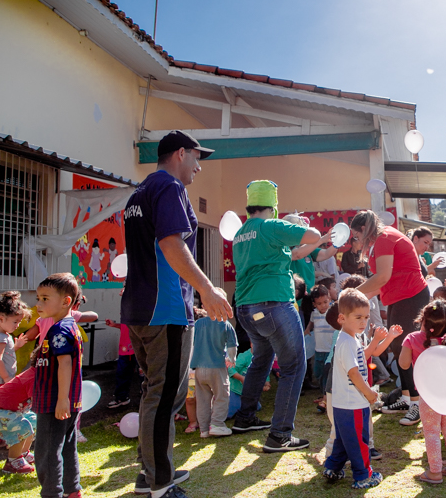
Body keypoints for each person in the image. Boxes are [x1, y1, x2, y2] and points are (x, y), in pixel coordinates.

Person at [121, 130, 232, 498]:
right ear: (180, 153)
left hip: (139, 309)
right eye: (197, 158)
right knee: (164, 396)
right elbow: (171, 245)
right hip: (163, 309)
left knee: (154, 393)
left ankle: (150, 473)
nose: (199, 167)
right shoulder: (169, 188)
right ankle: (159, 484)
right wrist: (206, 287)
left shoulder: (139, 193)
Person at [230, 180, 320, 452]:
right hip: (275, 304)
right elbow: (314, 235)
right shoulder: (271, 226)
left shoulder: (239, 233)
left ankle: (245, 418)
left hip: (245, 307)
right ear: (273, 205)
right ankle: (279, 435)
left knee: (261, 360)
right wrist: (297, 223)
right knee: (294, 366)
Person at [350, 210, 429, 426]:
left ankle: (417, 403)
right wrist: (358, 299)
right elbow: (382, 282)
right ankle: (406, 398)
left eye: (357, 235)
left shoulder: (385, 237)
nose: (357, 241)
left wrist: (351, 295)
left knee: (407, 348)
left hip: (410, 296)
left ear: (364, 229)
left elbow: (382, 277)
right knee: (396, 347)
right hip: (398, 297)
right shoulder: (380, 241)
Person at [322, 289, 384, 489]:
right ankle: (363, 476)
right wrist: (368, 393)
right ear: (342, 318)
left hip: (344, 404)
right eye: (358, 317)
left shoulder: (350, 339)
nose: (363, 322)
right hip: (352, 404)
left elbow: (361, 356)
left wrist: (374, 341)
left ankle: (332, 467)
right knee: (359, 442)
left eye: (366, 317)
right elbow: (354, 373)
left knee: (344, 440)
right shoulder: (347, 341)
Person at [399, 300, 446, 484]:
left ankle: (435, 471)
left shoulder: (412, 339)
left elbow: (403, 364)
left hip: (428, 396)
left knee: (431, 432)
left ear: (423, 319)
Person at [33, 273, 84, 498]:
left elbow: (65, 364)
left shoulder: (60, 330)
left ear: (66, 301)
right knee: (66, 446)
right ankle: (73, 491)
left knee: (47, 451)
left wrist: (62, 399)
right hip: (64, 401)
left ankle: (52, 493)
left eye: (45, 298)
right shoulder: (64, 326)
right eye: (38, 298)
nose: (38, 304)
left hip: (55, 403)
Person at [0, 291, 29, 451]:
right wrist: (7, 378)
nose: (17, 325)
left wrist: (16, 346)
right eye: (15, 322)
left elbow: (5, 355)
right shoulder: (0, 337)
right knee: (0, 413)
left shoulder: (3, 335)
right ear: (1, 319)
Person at [189, 304, 238, 438]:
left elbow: (191, 343)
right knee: (222, 396)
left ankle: (204, 429)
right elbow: (232, 346)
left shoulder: (198, 324)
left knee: (202, 399)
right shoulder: (225, 324)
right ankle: (217, 424)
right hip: (217, 366)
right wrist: (231, 360)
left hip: (198, 367)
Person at [0, 368, 36, 475]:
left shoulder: (38, 374)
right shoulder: (33, 377)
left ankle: (23, 454)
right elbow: (38, 401)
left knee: (34, 420)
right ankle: (13, 462)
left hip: (11, 412)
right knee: (22, 426)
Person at [306, 285, 335, 406]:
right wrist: (307, 329)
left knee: (327, 372)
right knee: (318, 372)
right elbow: (311, 322)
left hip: (329, 349)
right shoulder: (314, 314)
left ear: (329, 299)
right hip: (319, 349)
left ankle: (325, 394)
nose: (323, 305)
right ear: (314, 304)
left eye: (325, 302)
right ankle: (324, 391)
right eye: (319, 303)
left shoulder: (332, 312)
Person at [104, 318, 138, 408]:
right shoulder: (126, 308)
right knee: (122, 374)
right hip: (125, 350)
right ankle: (122, 398)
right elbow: (125, 327)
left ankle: (148, 401)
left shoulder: (138, 309)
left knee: (143, 374)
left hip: (134, 349)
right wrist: (115, 325)